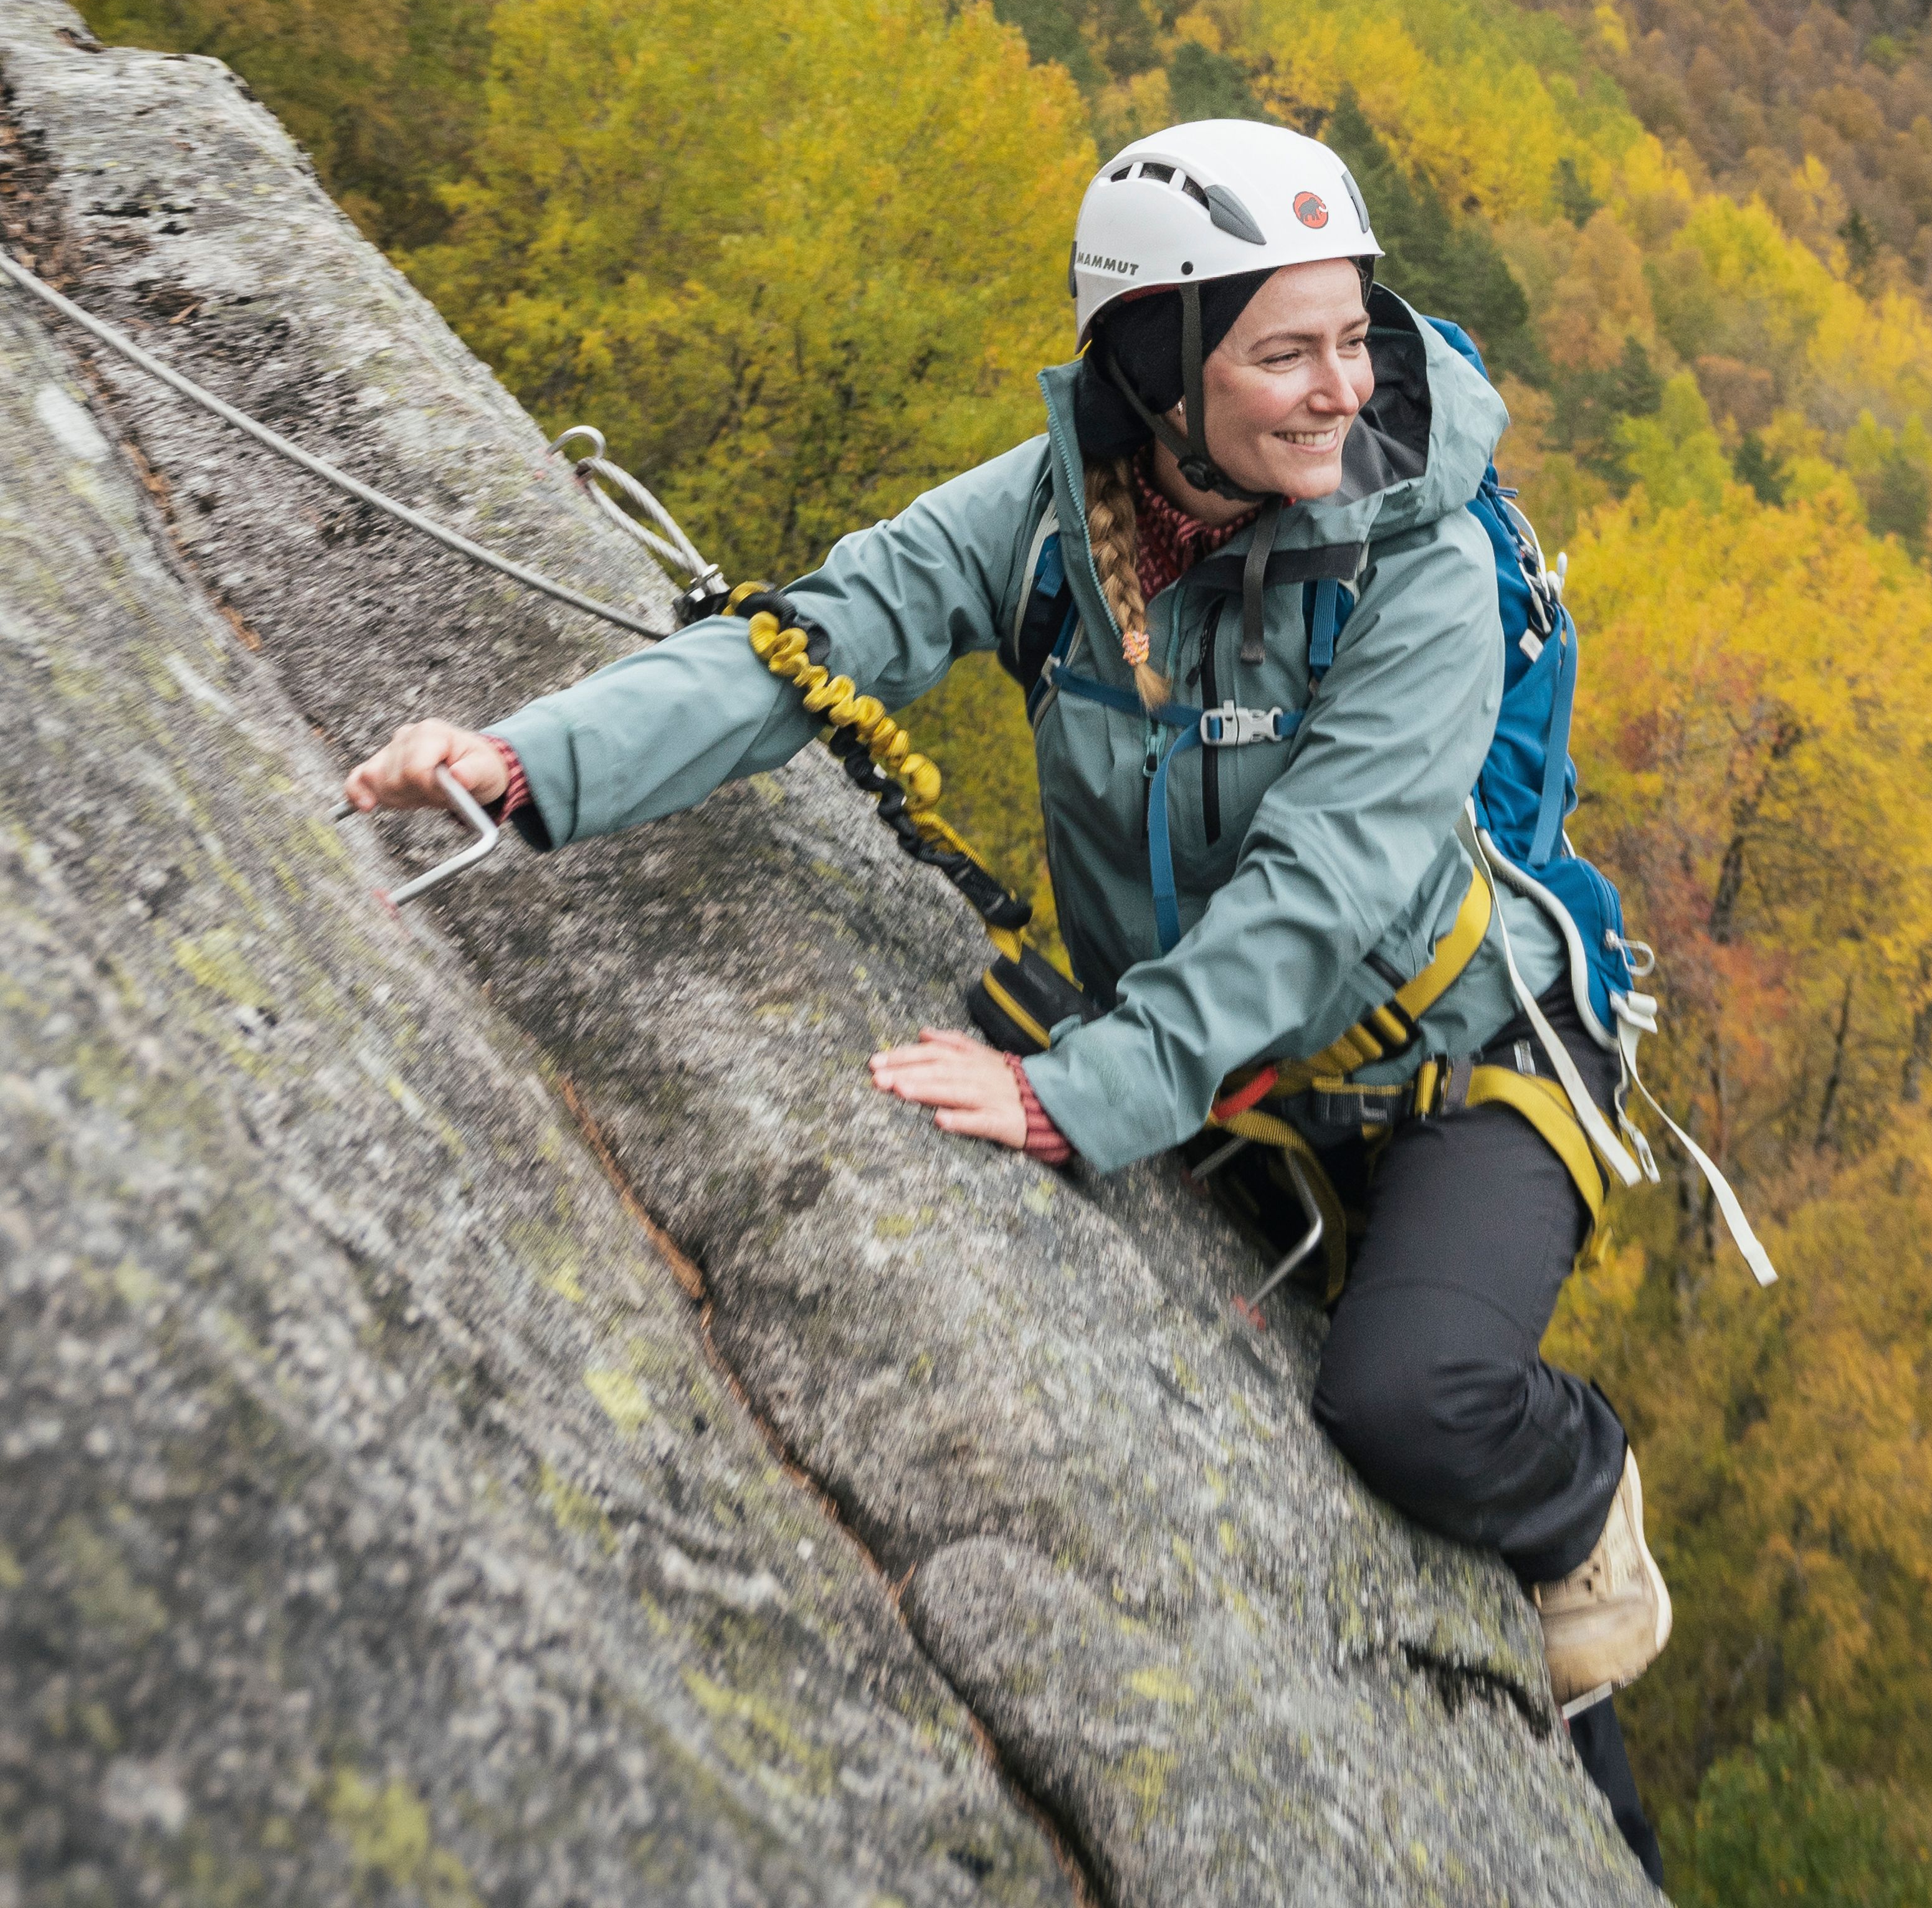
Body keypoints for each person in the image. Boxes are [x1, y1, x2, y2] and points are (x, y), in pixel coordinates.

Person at [348, 115, 1671, 1879]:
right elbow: (805, 648)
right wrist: (523, 769)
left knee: (1413, 1400)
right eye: (1282, 351)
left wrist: (1079, 1099)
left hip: (1450, 1067)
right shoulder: (1061, 515)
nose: (1342, 387)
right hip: (1218, 1061)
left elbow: (1321, 896)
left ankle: (1579, 1505)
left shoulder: (1416, 559)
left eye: (1354, 334)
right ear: (1155, 363)